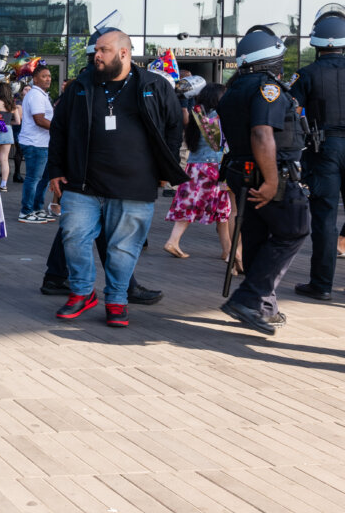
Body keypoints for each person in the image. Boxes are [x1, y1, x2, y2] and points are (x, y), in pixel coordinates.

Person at [46, 30, 186, 327]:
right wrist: (56, 170)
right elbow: (59, 129)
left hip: (135, 185)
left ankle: (117, 299)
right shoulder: (80, 86)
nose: (97, 55)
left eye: (104, 50)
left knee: (123, 248)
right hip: (82, 182)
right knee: (73, 237)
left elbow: (175, 126)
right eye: (96, 50)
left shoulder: (154, 85)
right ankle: (82, 292)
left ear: (124, 53)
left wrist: (165, 166)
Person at [218, 26, 310, 334]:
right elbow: (261, 133)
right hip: (267, 175)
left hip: (241, 173)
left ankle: (263, 306)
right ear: (271, 58)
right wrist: (271, 181)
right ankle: (249, 298)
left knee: (258, 236)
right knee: (294, 229)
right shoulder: (266, 88)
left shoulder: (235, 88)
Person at [290, 4, 345, 302]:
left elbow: (292, 110)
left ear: (316, 43)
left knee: (325, 218)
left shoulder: (306, 74)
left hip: (323, 149)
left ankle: (322, 285)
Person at [163, 84, 233, 260]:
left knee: (192, 205)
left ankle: (226, 250)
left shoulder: (197, 114)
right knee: (222, 209)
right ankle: (228, 251)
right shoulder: (215, 117)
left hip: (195, 167)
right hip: (214, 167)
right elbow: (217, 144)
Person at [17, 66, 54, 224]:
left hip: (43, 143)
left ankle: (37, 209)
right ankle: (26, 212)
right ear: (35, 79)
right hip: (35, 144)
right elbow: (39, 120)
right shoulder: (35, 95)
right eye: (44, 76)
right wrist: (60, 129)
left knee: (43, 179)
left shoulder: (41, 95)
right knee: (33, 178)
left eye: (49, 76)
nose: (48, 79)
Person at [0, 81, 17, 192]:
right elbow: (18, 121)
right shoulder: (12, 104)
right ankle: (4, 185)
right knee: (5, 159)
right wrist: (8, 124)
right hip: (8, 131)